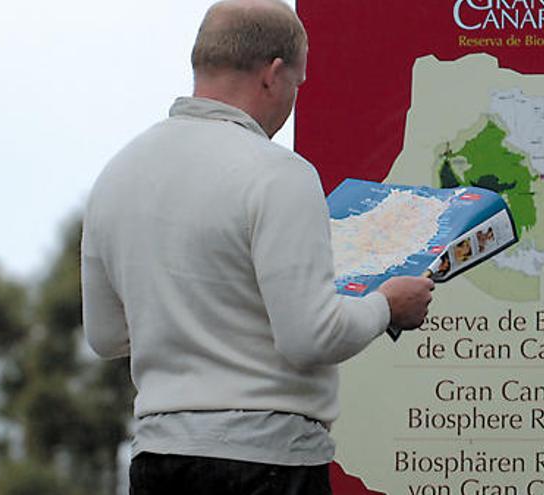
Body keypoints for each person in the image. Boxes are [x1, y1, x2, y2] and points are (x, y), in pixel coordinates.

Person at [80, 1, 434, 493]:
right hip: (266, 463)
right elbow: (312, 337)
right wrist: (387, 305)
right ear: (273, 74)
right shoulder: (278, 174)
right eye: (297, 82)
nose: (293, 97)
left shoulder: (116, 175)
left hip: (157, 461)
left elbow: (104, 335)